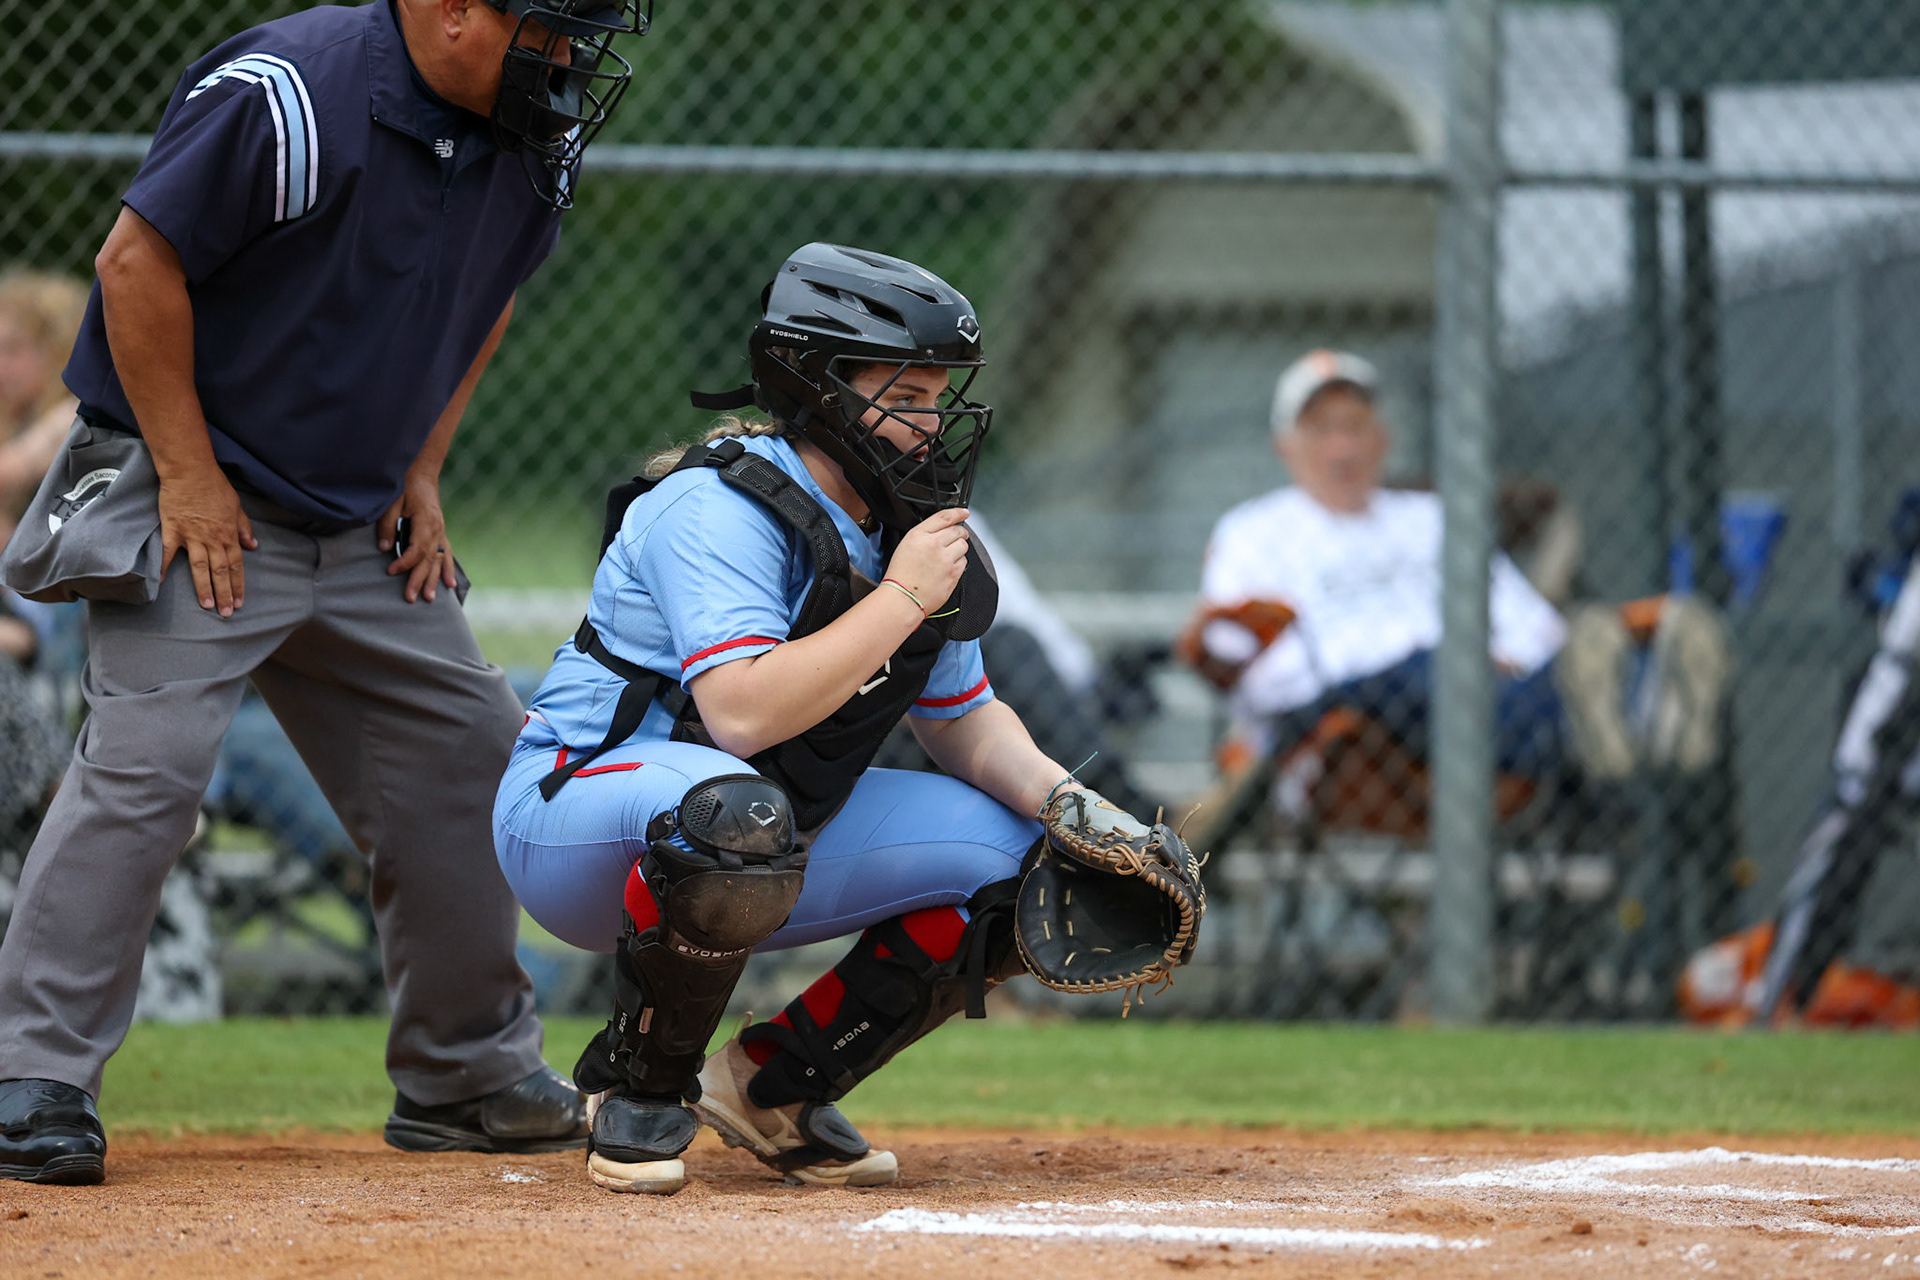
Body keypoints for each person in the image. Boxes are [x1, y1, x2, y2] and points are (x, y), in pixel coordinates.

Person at [0, 0, 651, 1186]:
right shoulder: (287, 93)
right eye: (551, 29)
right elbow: (133, 264)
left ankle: (466, 1072)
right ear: (454, 11)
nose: (570, 59)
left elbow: (488, 290)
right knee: (148, 769)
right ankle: (30, 1073)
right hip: (199, 491)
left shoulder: (528, 132)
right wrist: (190, 481)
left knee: (472, 755)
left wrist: (423, 462)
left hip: (357, 515)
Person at [493, 243, 1153, 1196]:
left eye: (940, 397)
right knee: (738, 808)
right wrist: (903, 598)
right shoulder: (715, 505)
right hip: (577, 821)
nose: (932, 426)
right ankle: (636, 1087)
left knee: (1037, 862)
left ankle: (775, 1083)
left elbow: (963, 723)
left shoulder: (907, 526)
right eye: (907, 396)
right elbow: (742, 712)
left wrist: (1087, 815)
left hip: (757, 829)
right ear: (821, 388)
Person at [1183, 349, 1728, 805]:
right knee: (1440, 667)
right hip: (1344, 715)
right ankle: (1629, 717)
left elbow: (1527, 621)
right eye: (1323, 429)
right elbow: (1240, 657)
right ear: (1286, 446)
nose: (1343, 447)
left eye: (1355, 426)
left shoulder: (1427, 518)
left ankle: (1625, 711)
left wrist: (1513, 656)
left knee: (1543, 659)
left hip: (1471, 694)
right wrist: (1323, 677)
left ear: (1383, 438)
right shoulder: (1254, 531)